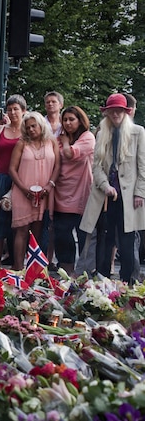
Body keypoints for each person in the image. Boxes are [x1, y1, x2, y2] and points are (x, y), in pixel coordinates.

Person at [80, 94, 145, 283]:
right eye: (112, 110)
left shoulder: (138, 132)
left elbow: (143, 166)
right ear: (107, 112)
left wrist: (140, 192)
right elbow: (97, 166)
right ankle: (102, 280)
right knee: (104, 239)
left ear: (125, 112)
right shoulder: (101, 133)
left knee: (128, 241)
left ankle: (129, 282)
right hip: (106, 196)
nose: (115, 114)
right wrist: (105, 185)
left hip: (130, 195)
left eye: (119, 110)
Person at [8, 111, 59, 270]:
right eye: (28, 127)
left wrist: (49, 186)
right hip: (23, 192)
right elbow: (12, 169)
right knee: (22, 231)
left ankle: (33, 271)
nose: (31, 130)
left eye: (33, 126)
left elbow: (58, 166)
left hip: (44, 193)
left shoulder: (52, 141)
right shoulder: (22, 143)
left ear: (41, 125)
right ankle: (18, 269)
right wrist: (24, 189)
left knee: (37, 231)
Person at [53, 106, 94, 275]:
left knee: (84, 236)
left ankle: (83, 272)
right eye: (65, 120)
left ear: (80, 120)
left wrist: (63, 142)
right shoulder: (59, 139)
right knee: (62, 235)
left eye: (72, 119)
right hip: (61, 192)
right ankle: (65, 269)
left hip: (81, 194)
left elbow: (70, 154)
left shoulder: (87, 137)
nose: (68, 123)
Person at [0, 95, 26, 267]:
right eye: (10, 109)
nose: (12, 112)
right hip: (1, 177)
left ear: (23, 111)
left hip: (21, 179)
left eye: (16, 109)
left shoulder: (28, 130)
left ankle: (17, 264)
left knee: (19, 222)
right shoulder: (0, 130)